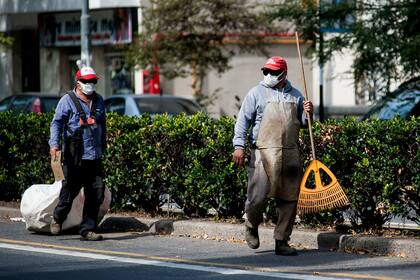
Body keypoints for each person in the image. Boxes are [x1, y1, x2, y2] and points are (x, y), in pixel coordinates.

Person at [232, 56, 313, 256]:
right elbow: (243, 121)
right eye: (266, 71)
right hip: (263, 152)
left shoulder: (296, 95)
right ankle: (251, 224)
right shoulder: (256, 93)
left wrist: (308, 113)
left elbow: (304, 123)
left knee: (288, 200)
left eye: (274, 72)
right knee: (257, 196)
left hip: (289, 153)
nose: (269, 75)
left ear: (284, 74)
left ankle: (282, 240)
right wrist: (238, 146)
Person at [49, 66, 107, 241]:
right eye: (87, 81)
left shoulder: (99, 100)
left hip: (94, 155)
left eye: (93, 81)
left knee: (96, 190)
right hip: (75, 155)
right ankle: (58, 217)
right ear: (79, 83)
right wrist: (54, 144)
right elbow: (57, 123)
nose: (90, 84)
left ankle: (87, 229)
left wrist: (103, 145)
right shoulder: (67, 100)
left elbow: (102, 124)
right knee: (70, 190)